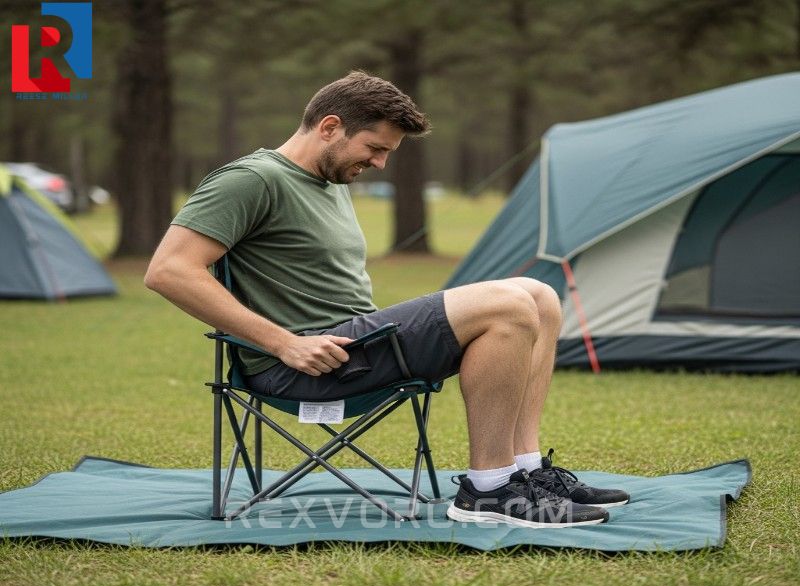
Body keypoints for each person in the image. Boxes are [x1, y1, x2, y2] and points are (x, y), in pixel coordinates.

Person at [145, 71, 629, 528]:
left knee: (539, 295)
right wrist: (283, 343)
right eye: (374, 148)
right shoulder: (252, 180)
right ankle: (489, 489)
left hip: (359, 346)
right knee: (507, 305)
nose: (380, 163)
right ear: (330, 127)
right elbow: (169, 270)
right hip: (312, 364)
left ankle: (524, 474)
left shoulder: (328, 181)